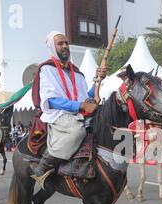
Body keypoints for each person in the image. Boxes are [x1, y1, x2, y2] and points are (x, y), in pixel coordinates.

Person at [31, 31, 107, 189]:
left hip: (79, 112)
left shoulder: (77, 72)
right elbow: (50, 100)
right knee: (77, 132)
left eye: (66, 43)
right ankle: (43, 167)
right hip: (59, 113)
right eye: (60, 43)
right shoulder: (46, 69)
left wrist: (98, 80)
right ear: (53, 47)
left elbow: (86, 97)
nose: (65, 46)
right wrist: (80, 106)